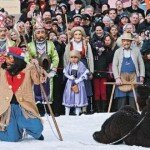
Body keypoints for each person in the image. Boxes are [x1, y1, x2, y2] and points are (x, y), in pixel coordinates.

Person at [0, 47, 44, 142]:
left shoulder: (28, 68)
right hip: (8, 109)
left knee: (38, 128)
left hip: (24, 108)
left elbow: (38, 80)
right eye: (6, 57)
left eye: (9, 57)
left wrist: (37, 67)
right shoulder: (2, 69)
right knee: (13, 138)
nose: (6, 59)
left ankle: (30, 131)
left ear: (17, 59)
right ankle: (16, 130)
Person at [28, 24, 59, 116]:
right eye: (38, 33)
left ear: (45, 34)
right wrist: (31, 61)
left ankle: (48, 110)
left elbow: (55, 57)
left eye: (42, 32)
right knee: (36, 89)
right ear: (34, 35)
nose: (40, 34)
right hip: (35, 71)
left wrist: (53, 69)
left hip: (47, 70)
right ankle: (38, 109)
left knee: (47, 89)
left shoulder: (50, 44)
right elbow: (26, 58)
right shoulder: (29, 45)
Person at [112, 33, 145, 110]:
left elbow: (141, 64)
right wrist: (117, 78)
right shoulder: (118, 51)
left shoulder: (136, 51)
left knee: (133, 100)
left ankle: (134, 119)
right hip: (121, 78)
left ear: (131, 42)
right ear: (122, 42)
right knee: (121, 102)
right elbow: (114, 66)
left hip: (134, 77)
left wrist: (142, 76)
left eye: (128, 41)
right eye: (124, 41)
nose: (126, 43)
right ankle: (120, 119)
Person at [63, 50, 89, 116]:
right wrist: (69, 77)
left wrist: (79, 79)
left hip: (79, 84)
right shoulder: (69, 65)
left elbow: (85, 73)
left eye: (75, 57)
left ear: (78, 57)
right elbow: (65, 72)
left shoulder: (81, 65)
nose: (73, 59)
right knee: (69, 97)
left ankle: (77, 114)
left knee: (78, 97)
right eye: (71, 57)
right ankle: (67, 114)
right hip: (70, 84)